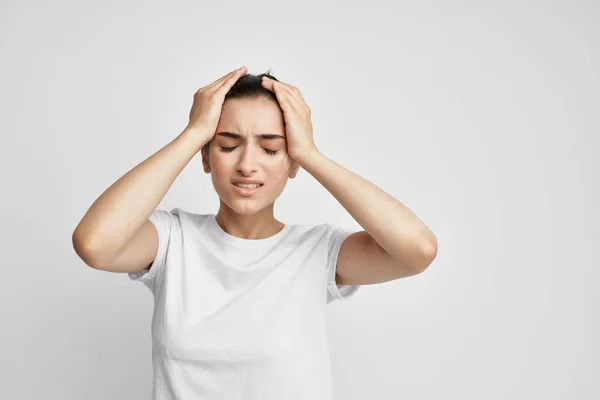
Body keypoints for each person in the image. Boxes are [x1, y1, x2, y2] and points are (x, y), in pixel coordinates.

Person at [72, 66, 438, 399]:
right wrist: (193, 132)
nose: (247, 165)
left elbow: (417, 249)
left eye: (270, 148)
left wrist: (311, 154)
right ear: (205, 157)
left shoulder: (317, 252)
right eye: (227, 145)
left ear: (292, 162)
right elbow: (94, 244)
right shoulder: (172, 240)